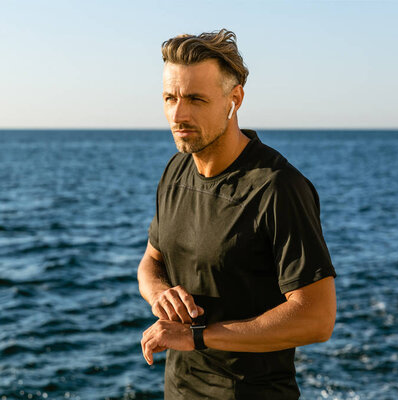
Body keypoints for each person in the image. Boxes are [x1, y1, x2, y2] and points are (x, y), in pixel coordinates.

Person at [137, 29, 337, 399]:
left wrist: (197, 337)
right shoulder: (175, 171)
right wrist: (159, 294)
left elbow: (317, 319)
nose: (178, 114)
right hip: (179, 390)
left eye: (195, 99)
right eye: (170, 98)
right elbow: (151, 262)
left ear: (235, 99)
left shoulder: (278, 187)